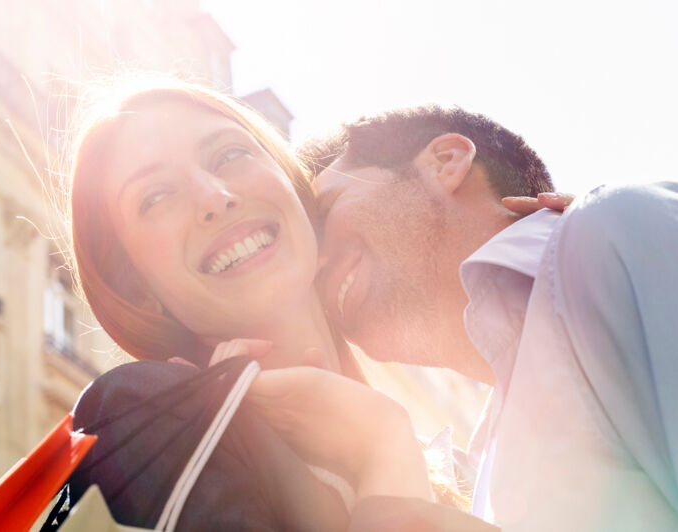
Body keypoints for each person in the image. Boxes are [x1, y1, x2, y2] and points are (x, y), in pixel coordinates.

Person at [291, 104, 678, 531]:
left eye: (325, 212)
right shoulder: (488, 461)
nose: (311, 261)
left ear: (446, 161)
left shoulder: (625, 231)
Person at [62, 79, 514, 529]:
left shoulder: (474, 477)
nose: (215, 198)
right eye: (155, 197)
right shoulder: (146, 416)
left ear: (300, 200)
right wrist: (382, 449)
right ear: (137, 288)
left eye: (229, 155)